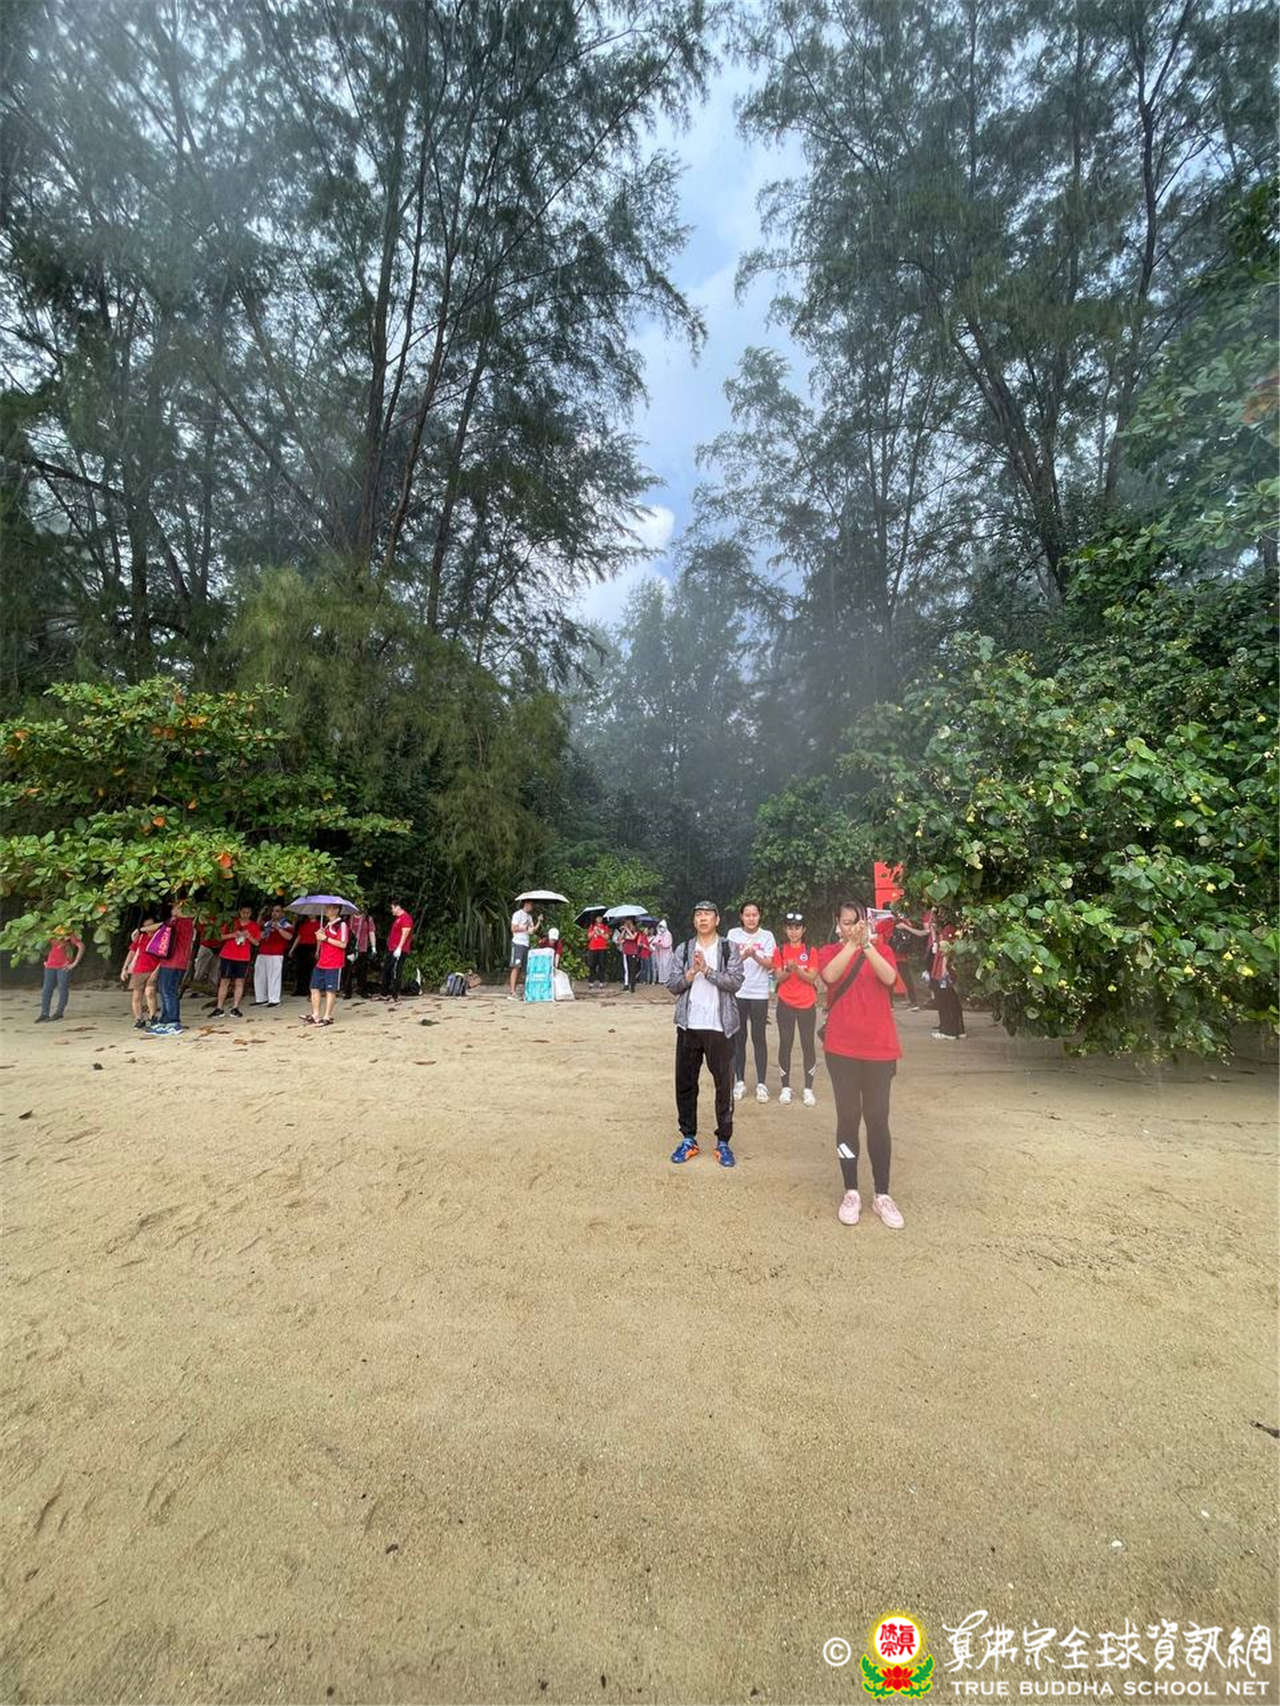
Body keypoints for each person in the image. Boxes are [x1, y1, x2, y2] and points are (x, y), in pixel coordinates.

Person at [818, 901, 905, 1229]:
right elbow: (829, 976)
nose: (852, 927)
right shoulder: (829, 952)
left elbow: (889, 977)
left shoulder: (882, 950)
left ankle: (882, 1194)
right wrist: (852, 945)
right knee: (848, 1118)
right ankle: (851, 1190)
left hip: (880, 1050)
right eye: (846, 922)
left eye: (857, 922)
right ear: (837, 924)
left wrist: (866, 945)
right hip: (841, 1049)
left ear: (867, 923)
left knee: (878, 1119)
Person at [665, 902, 745, 1167]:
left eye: (707, 914)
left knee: (724, 1085)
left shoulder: (728, 948)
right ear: (693, 920)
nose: (702, 918)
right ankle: (689, 1138)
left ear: (717, 919)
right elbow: (672, 985)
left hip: (721, 1027)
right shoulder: (684, 949)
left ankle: (723, 1142)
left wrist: (707, 971)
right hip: (689, 1026)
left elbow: (735, 982)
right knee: (685, 1084)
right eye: (698, 914)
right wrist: (691, 973)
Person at [727, 902, 777, 1102]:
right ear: (741, 916)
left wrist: (754, 955)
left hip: (759, 993)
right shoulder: (733, 935)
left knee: (759, 1037)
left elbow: (771, 963)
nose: (751, 918)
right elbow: (729, 962)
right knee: (739, 1038)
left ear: (759, 916)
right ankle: (739, 1081)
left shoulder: (767, 936)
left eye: (754, 914)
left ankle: (761, 1083)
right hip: (739, 992)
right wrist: (743, 955)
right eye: (747, 915)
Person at [772, 911, 820, 1106]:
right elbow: (778, 977)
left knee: (808, 1044)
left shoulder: (810, 951)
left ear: (803, 930)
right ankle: (785, 1087)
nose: (794, 932)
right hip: (785, 1003)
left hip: (807, 1003)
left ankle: (808, 1088)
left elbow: (812, 977)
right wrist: (787, 969)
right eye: (790, 928)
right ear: (785, 930)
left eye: (797, 928)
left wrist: (798, 969)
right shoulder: (780, 951)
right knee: (786, 1043)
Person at [148, 900, 196, 1035]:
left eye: (175, 908)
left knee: (168, 991)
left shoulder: (179, 922)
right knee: (166, 990)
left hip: (173, 962)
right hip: (174, 962)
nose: (172, 910)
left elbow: (161, 926)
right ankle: (165, 1020)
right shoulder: (187, 923)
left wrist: (141, 930)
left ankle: (173, 1022)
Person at [211, 905, 259, 1017]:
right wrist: (233, 935)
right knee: (224, 981)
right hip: (228, 955)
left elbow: (257, 943)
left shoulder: (254, 925)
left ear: (251, 913)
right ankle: (219, 1007)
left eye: (248, 912)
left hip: (243, 957)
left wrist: (249, 936)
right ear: (239, 912)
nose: (245, 914)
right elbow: (220, 937)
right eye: (243, 912)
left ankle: (235, 1007)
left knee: (239, 982)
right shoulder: (232, 923)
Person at [307, 906, 349, 1026]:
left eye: (330, 908)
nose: (326, 910)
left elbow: (343, 944)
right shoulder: (326, 925)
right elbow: (322, 941)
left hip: (334, 962)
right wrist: (320, 937)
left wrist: (325, 938)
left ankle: (327, 1016)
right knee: (314, 987)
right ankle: (315, 1014)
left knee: (330, 990)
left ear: (336, 910)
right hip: (322, 961)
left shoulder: (341, 925)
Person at [929, 911, 966, 1039]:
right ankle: (958, 1029)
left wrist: (944, 971)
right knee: (952, 999)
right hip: (948, 967)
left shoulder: (948, 929)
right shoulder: (954, 928)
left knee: (945, 1000)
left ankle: (949, 1030)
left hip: (944, 968)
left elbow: (946, 951)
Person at [35, 926, 84, 1022]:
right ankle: (44, 1013)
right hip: (50, 965)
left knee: (62, 988)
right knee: (46, 990)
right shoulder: (49, 933)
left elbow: (81, 946)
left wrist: (74, 963)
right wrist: (45, 960)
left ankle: (59, 1012)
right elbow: (43, 946)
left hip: (63, 966)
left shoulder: (68, 932)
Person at [122, 915, 161, 1029]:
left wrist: (156, 971)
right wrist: (124, 968)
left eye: (151, 925)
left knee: (150, 993)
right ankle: (139, 1019)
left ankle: (152, 1017)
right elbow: (132, 952)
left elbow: (163, 957)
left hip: (153, 969)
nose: (149, 928)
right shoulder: (141, 937)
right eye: (146, 926)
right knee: (136, 997)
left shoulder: (160, 938)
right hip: (139, 970)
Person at [254, 905, 293, 1006]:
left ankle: (274, 1000)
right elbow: (258, 927)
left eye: (277, 911)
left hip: (276, 953)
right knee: (259, 976)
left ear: (283, 913)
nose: (274, 913)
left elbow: (289, 937)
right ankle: (261, 998)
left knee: (274, 977)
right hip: (263, 951)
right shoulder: (268, 923)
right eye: (273, 911)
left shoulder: (286, 924)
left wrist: (279, 928)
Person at [382, 902, 414, 1003]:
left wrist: (399, 947)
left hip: (399, 949)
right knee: (387, 969)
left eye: (392, 908)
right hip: (392, 948)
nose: (391, 910)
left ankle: (395, 995)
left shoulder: (406, 918)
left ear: (398, 907)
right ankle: (386, 993)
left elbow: (405, 933)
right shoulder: (398, 919)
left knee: (396, 971)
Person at [343, 910, 377, 999]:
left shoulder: (367, 918)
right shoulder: (347, 918)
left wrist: (373, 947)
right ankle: (347, 991)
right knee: (347, 971)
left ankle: (362, 990)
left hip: (362, 948)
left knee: (362, 971)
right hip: (349, 948)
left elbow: (371, 932)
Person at [507, 901, 535, 998]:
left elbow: (531, 930)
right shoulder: (517, 914)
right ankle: (512, 991)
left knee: (524, 967)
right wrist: (524, 927)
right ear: (526, 904)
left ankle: (522, 990)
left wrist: (539, 922)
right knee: (516, 966)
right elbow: (513, 928)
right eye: (531, 905)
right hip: (518, 943)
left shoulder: (529, 917)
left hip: (526, 943)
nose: (532, 907)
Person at [289, 915, 319, 996]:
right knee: (299, 969)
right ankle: (299, 989)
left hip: (312, 947)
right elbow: (299, 937)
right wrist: (292, 949)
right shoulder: (304, 924)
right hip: (301, 947)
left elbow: (318, 939)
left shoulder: (318, 925)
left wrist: (317, 951)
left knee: (310, 970)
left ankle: (309, 990)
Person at [586, 916, 610, 987]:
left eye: (600, 918)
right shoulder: (592, 926)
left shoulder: (605, 926)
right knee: (592, 965)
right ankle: (591, 981)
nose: (599, 919)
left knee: (602, 965)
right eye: (598, 918)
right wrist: (594, 931)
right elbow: (589, 937)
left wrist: (600, 933)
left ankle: (601, 981)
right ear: (595, 919)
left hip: (602, 947)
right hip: (593, 947)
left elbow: (607, 937)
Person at [618, 919, 640, 992]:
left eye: (629, 924)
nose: (628, 925)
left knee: (632, 969)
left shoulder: (636, 932)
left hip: (633, 952)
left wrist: (628, 930)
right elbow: (619, 939)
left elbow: (633, 938)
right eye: (626, 924)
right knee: (626, 969)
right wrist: (623, 931)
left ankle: (632, 985)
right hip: (625, 952)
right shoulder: (625, 932)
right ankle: (626, 984)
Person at [652, 918, 674, 985]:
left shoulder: (668, 934)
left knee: (666, 966)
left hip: (667, 954)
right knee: (660, 966)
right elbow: (654, 941)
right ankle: (661, 980)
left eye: (662, 927)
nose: (661, 928)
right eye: (660, 927)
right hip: (660, 953)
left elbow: (667, 944)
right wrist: (656, 944)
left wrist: (660, 944)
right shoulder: (659, 934)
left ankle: (667, 979)